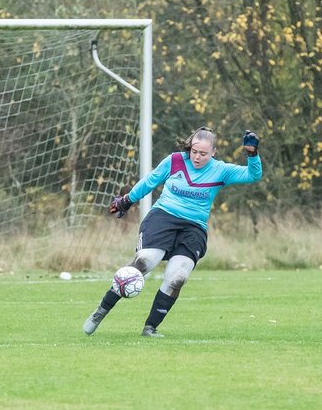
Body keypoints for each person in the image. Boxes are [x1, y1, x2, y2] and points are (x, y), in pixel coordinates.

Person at [83, 126, 262, 338]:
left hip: (194, 227)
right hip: (163, 217)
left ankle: (150, 328)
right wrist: (126, 200)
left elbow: (253, 175)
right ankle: (100, 311)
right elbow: (150, 181)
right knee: (145, 261)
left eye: (203, 153)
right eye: (194, 151)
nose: (197, 157)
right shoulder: (175, 160)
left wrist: (252, 154)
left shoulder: (221, 170)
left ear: (213, 152)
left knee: (177, 277)